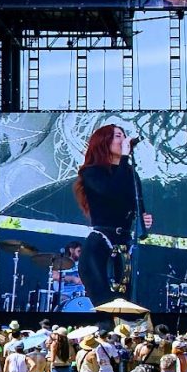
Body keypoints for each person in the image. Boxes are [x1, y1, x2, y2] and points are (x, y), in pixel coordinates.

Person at [71, 122, 150, 305]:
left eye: (123, 135)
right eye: (117, 136)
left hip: (124, 245)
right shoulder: (92, 172)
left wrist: (143, 218)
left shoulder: (131, 173)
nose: (123, 139)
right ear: (104, 142)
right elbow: (111, 191)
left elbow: (137, 205)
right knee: (106, 306)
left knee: (125, 304)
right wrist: (123, 158)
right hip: (100, 244)